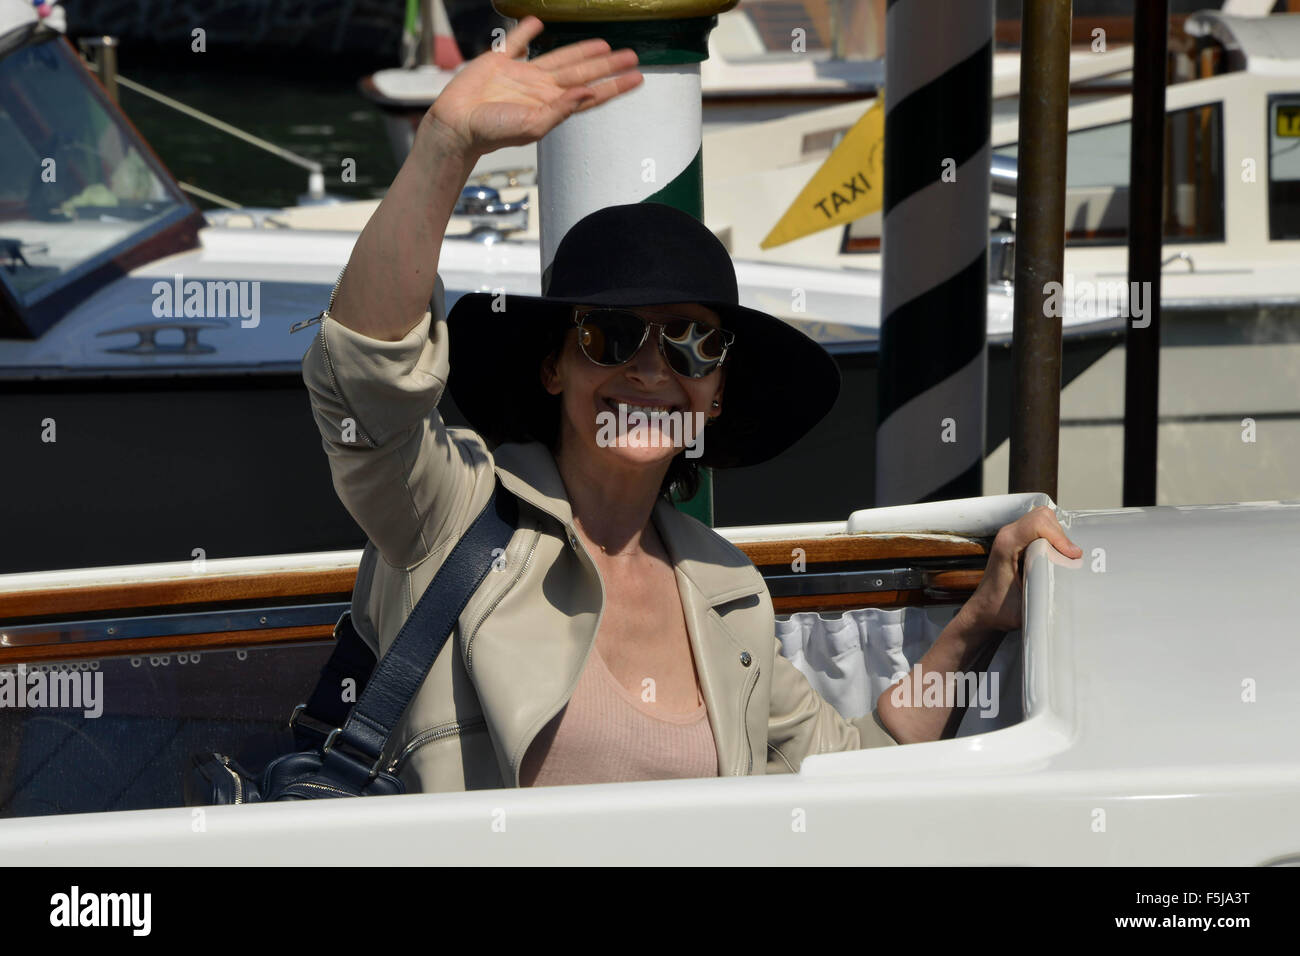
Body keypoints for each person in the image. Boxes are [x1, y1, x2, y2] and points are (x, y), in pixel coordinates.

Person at [301, 15, 1082, 791]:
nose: (649, 369)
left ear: (713, 396)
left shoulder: (726, 590)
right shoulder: (451, 513)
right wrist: (445, 145)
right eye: (609, 336)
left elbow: (855, 769)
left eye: (691, 343)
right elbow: (366, 385)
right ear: (552, 368)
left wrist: (979, 618)